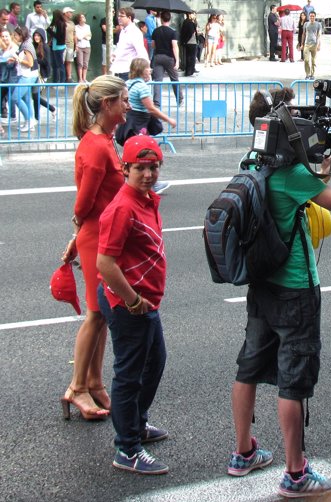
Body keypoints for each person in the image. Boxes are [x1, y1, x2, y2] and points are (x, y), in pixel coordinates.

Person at [227, 88, 331, 498]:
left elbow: (304, 181)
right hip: (296, 288)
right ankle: (296, 473)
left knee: (248, 367)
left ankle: (242, 452)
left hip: (261, 283)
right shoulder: (292, 177)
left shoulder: (253, 164)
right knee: (294, 380)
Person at [96, 134, 170, 475]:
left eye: (153, 167)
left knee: (154, 361)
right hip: (130, 304)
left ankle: (136, 425)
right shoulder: (122, 208)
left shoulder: (147, 199)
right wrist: (133, 300)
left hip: (143, 301)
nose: (147, 174)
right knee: (129, 375)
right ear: (125, 168)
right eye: (140, 168)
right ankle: (127, 448)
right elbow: (105, 263)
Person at [59, 75, 129, 422]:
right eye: (124, 100)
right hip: (97, 238)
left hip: (98, 234)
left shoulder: (101, 140)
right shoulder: (99, 147)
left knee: (101, 312)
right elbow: (84, 203)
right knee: (97, 313)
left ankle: (95, 383)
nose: (128, 106)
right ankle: (77, 387)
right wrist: (78, 234)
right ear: (108, 105)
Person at [116, 57, 175, 195]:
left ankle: (132, 182)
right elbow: (151, 108)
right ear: (142, 70)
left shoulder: (128, 84)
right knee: (145, 154)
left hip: (128, 124)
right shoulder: (142, 87)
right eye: (148, 68)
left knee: (134, 155)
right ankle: (149, 184)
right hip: (138, 126)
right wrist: (169, 120)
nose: (151, 70)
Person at [8, 26, 38, 132]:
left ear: (21, 35)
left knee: (15, 98)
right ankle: (31, 121)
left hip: (28, 76)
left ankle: (29, 121)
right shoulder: (25, 44)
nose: (14, 37)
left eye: (16, 35)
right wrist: (16, 59)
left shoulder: (26, 46)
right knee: (26, 99)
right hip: (28, 75)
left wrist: (18, 59)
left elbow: (30, 63)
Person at [151, 10, 182, 107]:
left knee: (158, 80)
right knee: (174, 78)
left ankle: (157, 102)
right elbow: (174, 46)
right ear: (170, 19)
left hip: (158, 56)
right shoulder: (173, 32)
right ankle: (179, 99)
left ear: (161, 18)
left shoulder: (156, 31)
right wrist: (177, 60)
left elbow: (153, 45)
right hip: (169, 57)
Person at [110, 7, 149, 81]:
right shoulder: (123, 31)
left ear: (129, 17)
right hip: (120, 69)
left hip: (129, 70)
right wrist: (114, 54)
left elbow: (141, 51)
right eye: (118, 16)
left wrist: (146, 69)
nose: (119, 18)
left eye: (121, 16)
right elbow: (121, 47)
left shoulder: (134, 32)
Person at [31, 27, 56, 122]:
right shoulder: (34, 46)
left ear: (42, 36)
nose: (36, 37)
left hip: (42, 75)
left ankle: (52, 109)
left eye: (38, 35)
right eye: (35, 35)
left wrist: (36, 61)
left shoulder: (45, 47)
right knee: (36, 97)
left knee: (36, 96)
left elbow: (47, 62)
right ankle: (37, 117)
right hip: (35, 74)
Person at [0, 28, 18, 124]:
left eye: (6, 36)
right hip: (3, 77)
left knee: (13, 97)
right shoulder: (2, 48)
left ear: (10, 36)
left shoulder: (14, 47)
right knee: (1, 95)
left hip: (12, 77)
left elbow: (12, 64)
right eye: (2, 36)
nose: (4, 38)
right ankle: (4, 113)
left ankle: (13, 116)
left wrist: (9, 61)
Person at [300, 11, 321, 80]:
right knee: (306, 60)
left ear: (315, 17)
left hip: (314, 44)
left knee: (313, 61)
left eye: (313, 16)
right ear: (309, 17)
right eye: (311, 16)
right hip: (307, 44)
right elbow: (303, 34)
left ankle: (312, 74)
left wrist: (318, 45)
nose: (312, 17)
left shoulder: (318, 24)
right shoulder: (306, 24)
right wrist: (302, 44)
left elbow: (319, 35)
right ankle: (307, 74)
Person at [48, 9, 66, 83]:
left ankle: (62, 81)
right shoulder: (56, 23)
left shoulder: (60, 23)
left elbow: (58, 36)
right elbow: (50, 25)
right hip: (55, 46)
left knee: (60, 65)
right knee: (55, 65)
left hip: (58, 47)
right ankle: (55, 81)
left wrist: (50, 31)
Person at [180, 11, 198, 77]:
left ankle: (189, 71)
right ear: (189, 15)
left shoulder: (186, 22)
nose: (194, 16)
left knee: (188, 57)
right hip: (191, 42)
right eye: (193, 14)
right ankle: (190, 71)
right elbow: (192, 33)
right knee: (192, 58)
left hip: (188, 42)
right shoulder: (190, 23)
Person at [74, 13, 91, 83]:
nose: (84, 18)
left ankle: (84, 78)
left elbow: (89, 37)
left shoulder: (88, 26)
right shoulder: (76, 27)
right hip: (79, 46)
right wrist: (84, 36)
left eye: (84, 17)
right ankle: (80, 79)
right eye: (82, 17)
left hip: (87, 46)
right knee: (80, 63)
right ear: (79, 19)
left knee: (85, 63)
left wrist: (82, 36)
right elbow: (77, 37)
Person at [62, 7, 75, 82]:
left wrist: (75, 45)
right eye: (70, 12)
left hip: (71, 45)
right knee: (62, 61)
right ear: (66, 13)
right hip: (62, 45)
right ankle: (62, 77)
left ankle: (69, 77)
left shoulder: (72, 23)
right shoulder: (61, 22)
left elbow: (74, 34)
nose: (71, 14)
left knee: (69, 61)